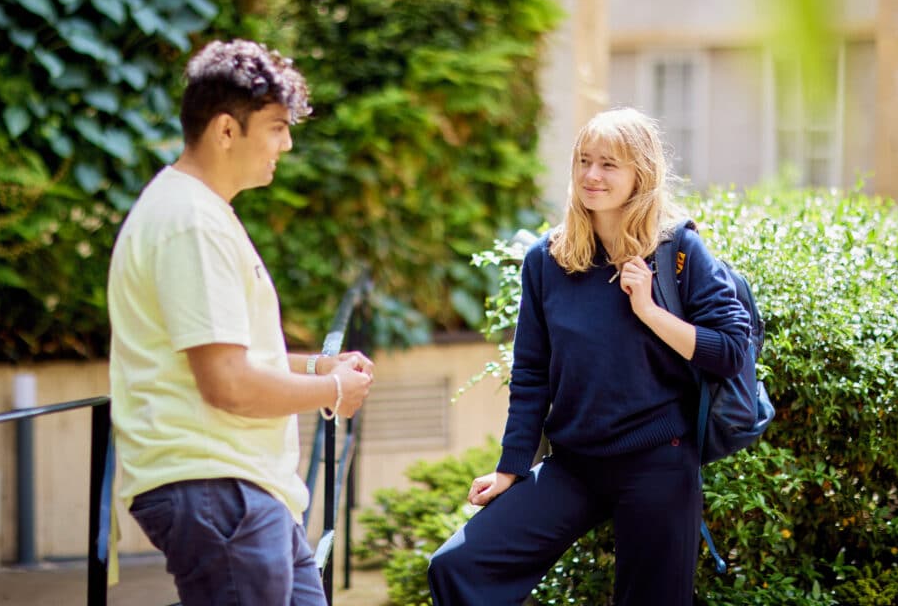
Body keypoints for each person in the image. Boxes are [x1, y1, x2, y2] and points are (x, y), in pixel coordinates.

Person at [427, 107, 751, 606]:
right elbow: (532, 372)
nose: (591, 176)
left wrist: (647, 308)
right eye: (584, 161)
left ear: (640, 174)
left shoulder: (678, 250)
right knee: (458, 566)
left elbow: (729, 351)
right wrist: (511, 468)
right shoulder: (547, 259)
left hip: (658, 463)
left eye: (608, 164)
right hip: (573, 465)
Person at [107, 39, 374, 606]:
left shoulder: (199, 212)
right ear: (227, 130)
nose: (288, 142)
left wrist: (316, 365)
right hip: (217, 488)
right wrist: (330, 390)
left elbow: (228, 354)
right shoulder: (190, 223)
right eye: (276, 126)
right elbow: (226, 382)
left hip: (242, 490)